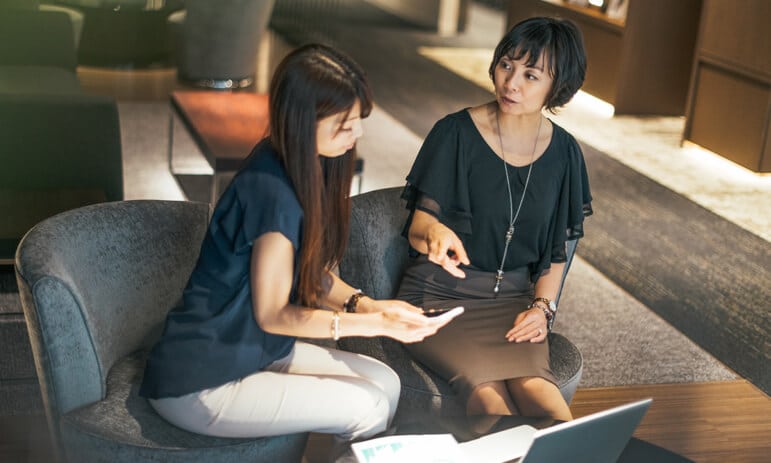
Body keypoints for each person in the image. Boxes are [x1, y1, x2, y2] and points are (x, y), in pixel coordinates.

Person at [139, 44, 459, 445]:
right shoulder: (274, 194)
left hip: (254, 349)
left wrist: (369, 305)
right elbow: (274, 314)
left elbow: (310, 273)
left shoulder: (302, 161)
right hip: (202, 377)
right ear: (303, 122)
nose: (357, 133)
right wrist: (377, 325)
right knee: (369, 406)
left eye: (358, 119)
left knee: (386, 383)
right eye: (344, 123)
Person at [396, 17, 592, 422]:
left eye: (530, 74)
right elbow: (418, 228)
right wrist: (435, 234)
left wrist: (542, 308)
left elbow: (559, 251)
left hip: (513, 303)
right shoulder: (454, 134)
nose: (511, 83)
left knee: (547, 403)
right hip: (439, 296)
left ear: (558, 87)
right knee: (489, 402)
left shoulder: (566, 155)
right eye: (507, 65)